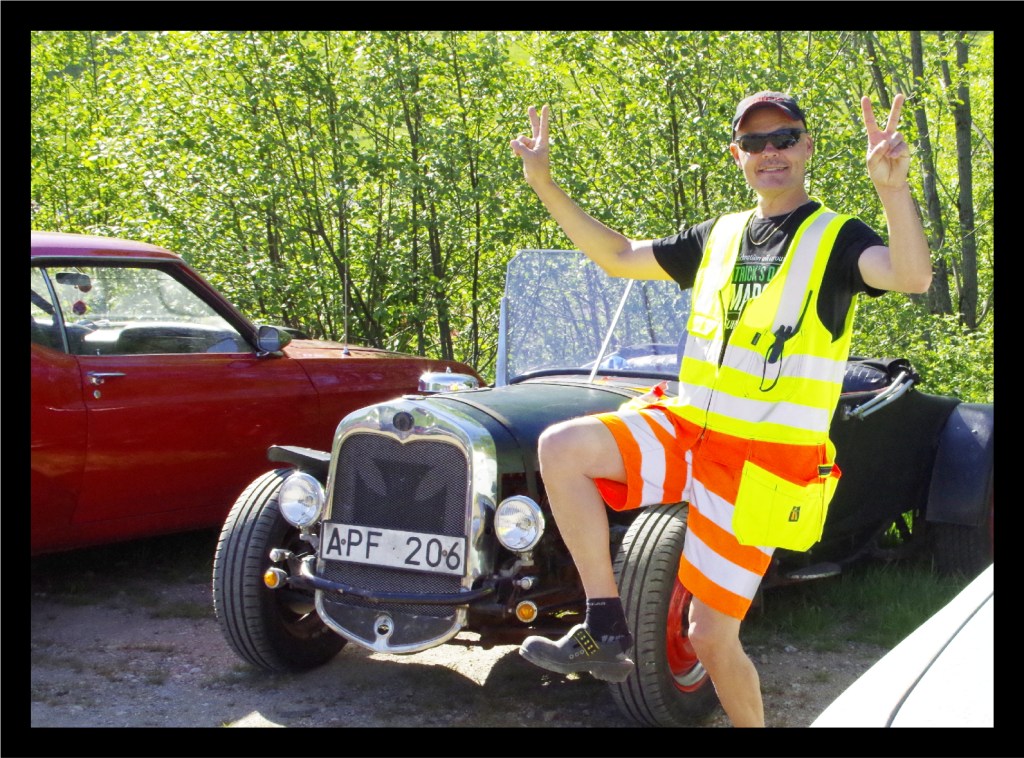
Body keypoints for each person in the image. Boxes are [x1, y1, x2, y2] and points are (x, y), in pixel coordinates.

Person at [508, 91, 931, 727]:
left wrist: (893, 190)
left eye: (784, 138)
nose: (770, 153)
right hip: (689, 431)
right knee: (561, 448)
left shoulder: (837, 238)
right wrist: (543, 182)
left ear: (807, 146)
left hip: (761, 464)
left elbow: (911, 275)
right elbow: (616, 257)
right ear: (738, 155)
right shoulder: (720, 234)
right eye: (755, 142)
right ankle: (605, 624)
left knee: (709, 636)